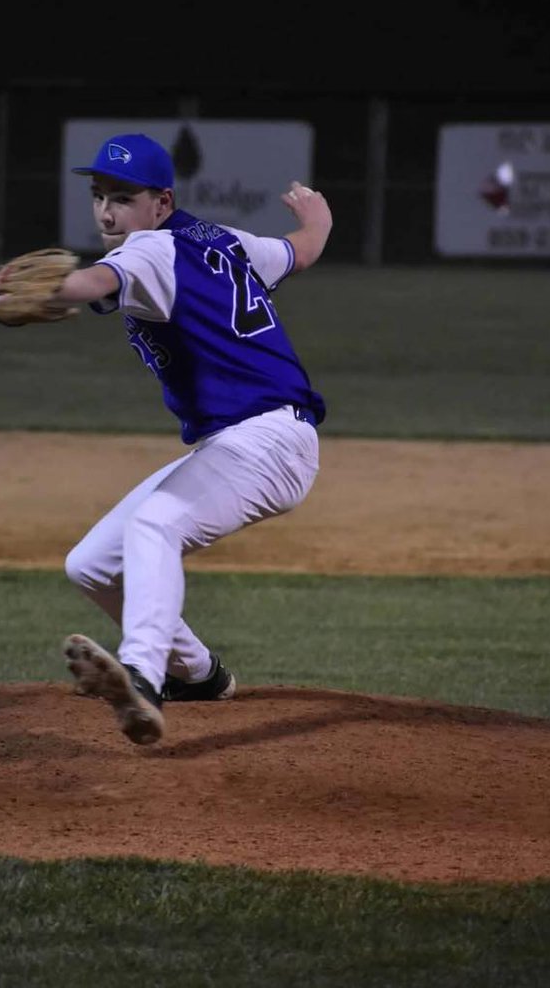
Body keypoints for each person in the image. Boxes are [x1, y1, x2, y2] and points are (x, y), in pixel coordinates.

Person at [47, 133, 331, 745]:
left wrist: (53, 290)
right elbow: (300, 252)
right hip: (248, 442)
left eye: (122, 198)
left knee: (156, 525)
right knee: (92, 565)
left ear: (161, 203)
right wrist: (319, 218)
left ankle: (142, 678)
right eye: (98, 195)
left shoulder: (147, 250)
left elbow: (94, 283)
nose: (105, 212)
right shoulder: (224, 241)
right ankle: (198, 674)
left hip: (267, 442)